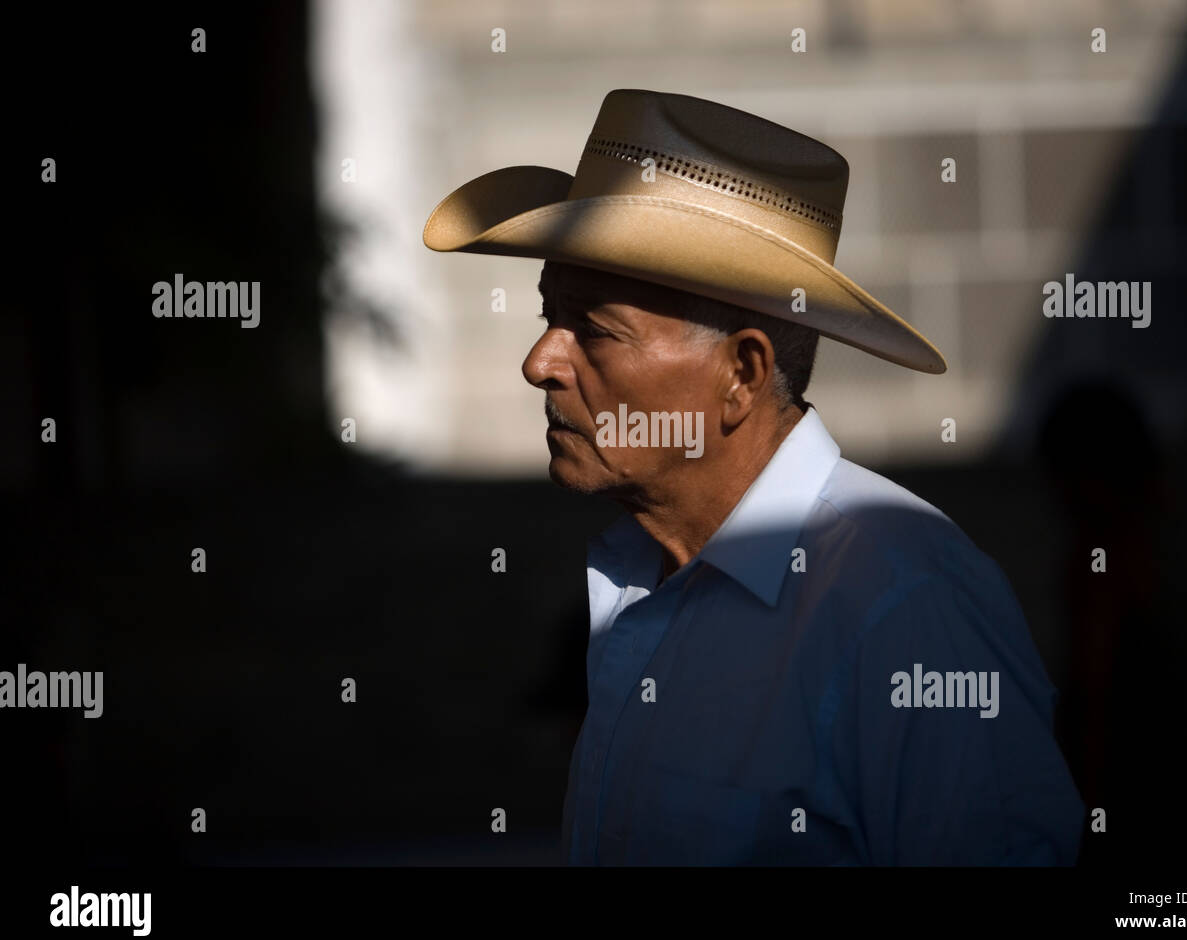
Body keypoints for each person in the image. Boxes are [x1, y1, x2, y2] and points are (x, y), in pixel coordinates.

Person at [423, 88, 1084, 864]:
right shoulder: (641, 578)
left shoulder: (906, 608)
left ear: (741, 374)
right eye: (548, 315)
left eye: (595, 330)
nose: (541, 362)